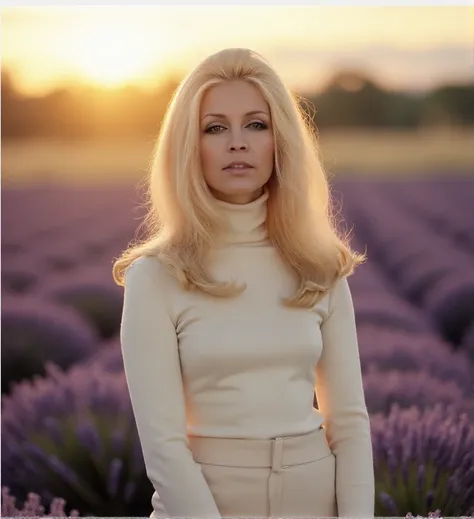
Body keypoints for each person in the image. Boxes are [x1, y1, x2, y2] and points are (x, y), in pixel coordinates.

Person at [113, 47, 374, 519]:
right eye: (215, 127)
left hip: (316, 502)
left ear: (281, 140)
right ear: (188, 145)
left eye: (257, 124)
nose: (238, 142)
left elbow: (350, 424)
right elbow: (164, 448)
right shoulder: (154, 276)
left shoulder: (320, 266)